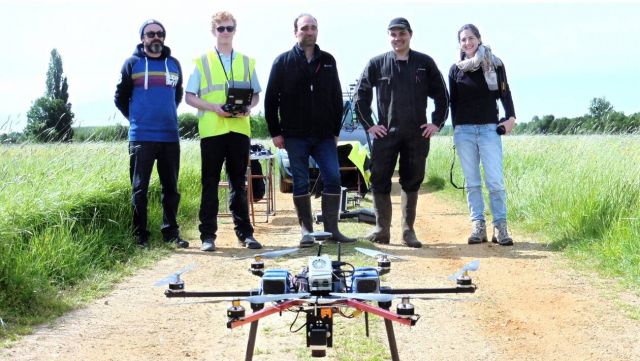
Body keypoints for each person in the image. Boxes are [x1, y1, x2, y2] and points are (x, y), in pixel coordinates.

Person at [354, 17, 449, 248]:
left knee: (411, 181)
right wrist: (370, 125)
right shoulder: (376, 63)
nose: (397, 38)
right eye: (393, 34)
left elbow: (442, 96)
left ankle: (408, 231)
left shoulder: (425, 63)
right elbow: (360, 96)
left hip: (417, 134)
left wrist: (436, 123)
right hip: (385, 134)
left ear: (410, 34)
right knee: (379, 179)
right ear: (389, 37)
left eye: (401, 34)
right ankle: (381, 230)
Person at [265, 13, 356, 247]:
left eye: (313, 28)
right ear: (295, 32)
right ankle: (306, 231)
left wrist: (336, 131)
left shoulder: (328, 61)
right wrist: (275, 132)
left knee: (333, 177)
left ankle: (332, 230)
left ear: (317, 31)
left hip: (324, 135)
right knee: (301, 181)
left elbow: (337, 97)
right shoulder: (282, 62)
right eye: (304, 28)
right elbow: (270, 101)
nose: (309, 32)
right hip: (295, 135)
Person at [185, 11, 262, 252]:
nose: (225, 33)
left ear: (235, 31)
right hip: (212, 130)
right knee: (209, 183)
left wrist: (248, 107)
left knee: (238, 183)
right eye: (221, 29)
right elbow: (189, 97)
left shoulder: (247, 62)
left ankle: (245, 234)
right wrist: (214, 108)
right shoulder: (202, 61)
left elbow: (257, 93)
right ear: (213, 31)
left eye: (229, 28)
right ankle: (207, 236)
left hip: (239, 129)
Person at [114, 19, 189, 249]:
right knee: (139, 188)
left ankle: (170, 233)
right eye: (150, 34)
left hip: (169, 136)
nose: (155, 37)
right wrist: (137, 118)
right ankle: (140, 236)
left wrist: (164, 115)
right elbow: (120, 97)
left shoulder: (174, 64)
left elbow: (177, 96)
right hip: (141, 137)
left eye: (159, 33)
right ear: (142, 38)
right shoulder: (132, 64)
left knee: (171, 189)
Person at [448, 24, 516, 246]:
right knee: (473, 182)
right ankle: (478, 226)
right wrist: (456, 128)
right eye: (463, 40)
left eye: (471, 38)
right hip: (464, 131)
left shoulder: (494, 64)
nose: (467, 43)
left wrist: (511, 118)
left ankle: (500, 227)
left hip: (489, 129)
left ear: (479, 39)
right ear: (460, 44)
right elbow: (453, 103)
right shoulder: (456, 69)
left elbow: (505, 92)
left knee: (495, 181)